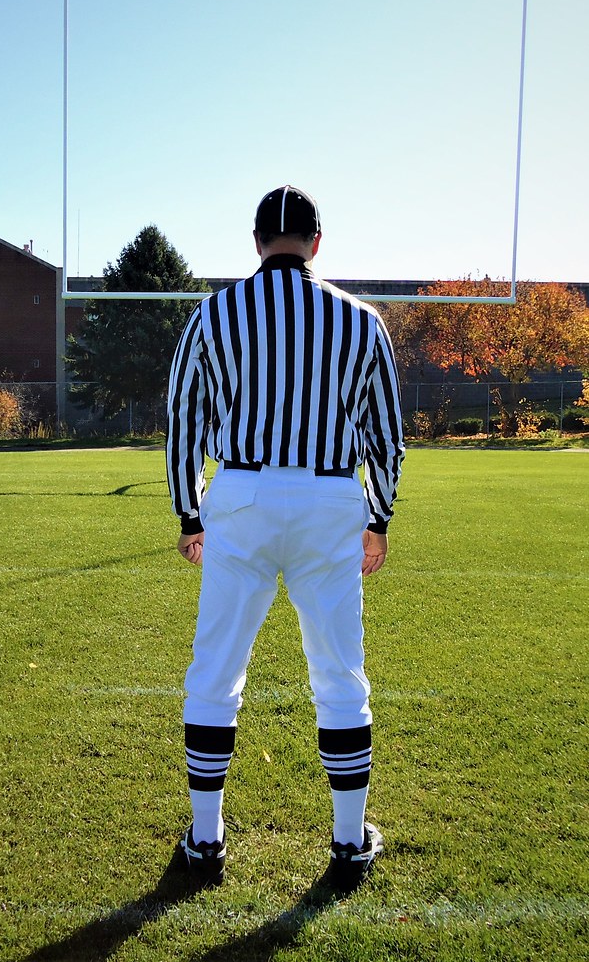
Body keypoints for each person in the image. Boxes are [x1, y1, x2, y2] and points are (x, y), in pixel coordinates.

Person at [166, 185, 404, 892]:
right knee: (338, 675)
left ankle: (206, 840)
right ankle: (345, 838)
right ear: (317, 241)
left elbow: (182, 419)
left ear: (255, 240)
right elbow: (385, 437)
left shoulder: (213, 314)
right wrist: (378, 516)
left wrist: (189, 513)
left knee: (216, 671)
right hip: (330, 494)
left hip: (238, 493)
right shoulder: (360, 321)